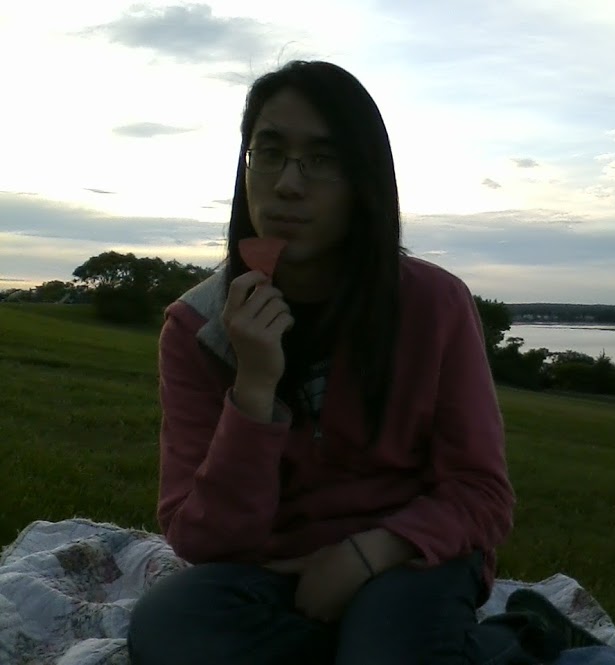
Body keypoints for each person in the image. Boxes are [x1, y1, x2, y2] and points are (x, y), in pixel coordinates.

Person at [126, 59, 569, 665]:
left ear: (364, 181)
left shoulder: (434, 304)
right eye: (270, 151)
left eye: (323, 160)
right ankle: (497, 649)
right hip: (274, 576)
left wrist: (365, 555)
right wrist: (254, 388)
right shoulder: (197, 328)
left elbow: (481, 493)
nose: (287, 183)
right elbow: (203, 540)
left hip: (409, 557)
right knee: (170, 626)